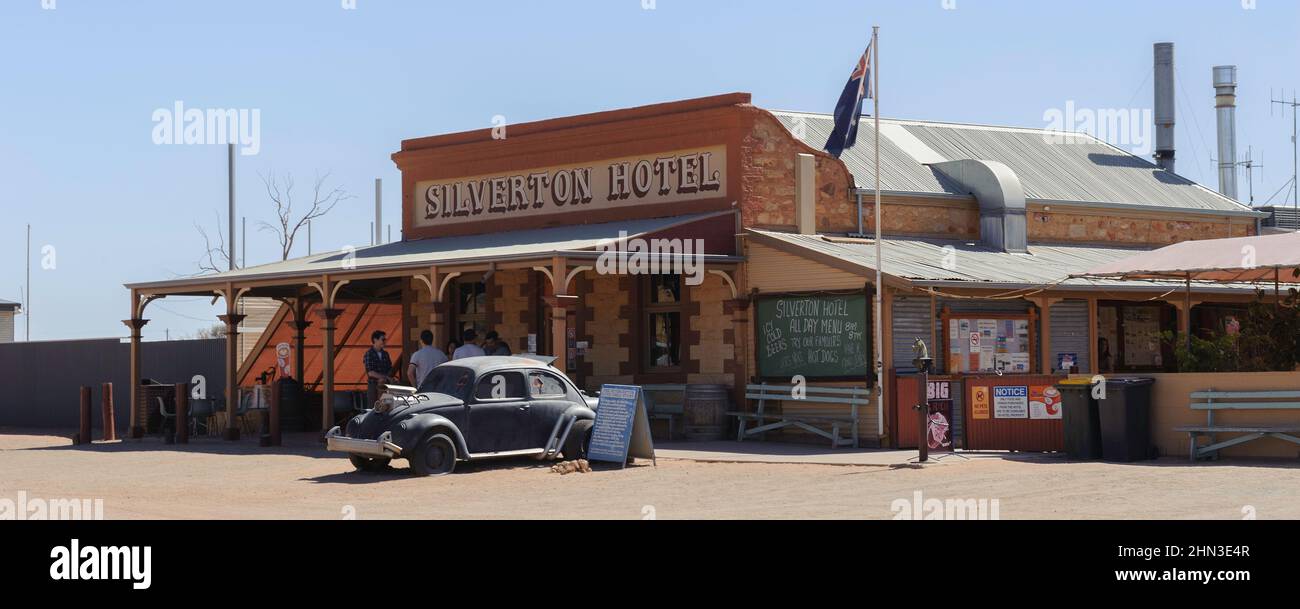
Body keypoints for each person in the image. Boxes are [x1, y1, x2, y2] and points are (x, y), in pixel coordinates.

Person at [363, 330, 396, 408]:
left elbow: (390, 369)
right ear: (375, 340)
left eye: (385, 340)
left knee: (386, 408)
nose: (385, 342)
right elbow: (370, 372)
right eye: (383, 339)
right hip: (373, 386)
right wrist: (386, 377)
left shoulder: (385, 354)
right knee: (373, 409)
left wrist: (391, 378)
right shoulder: (369, 354)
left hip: (386, 386)